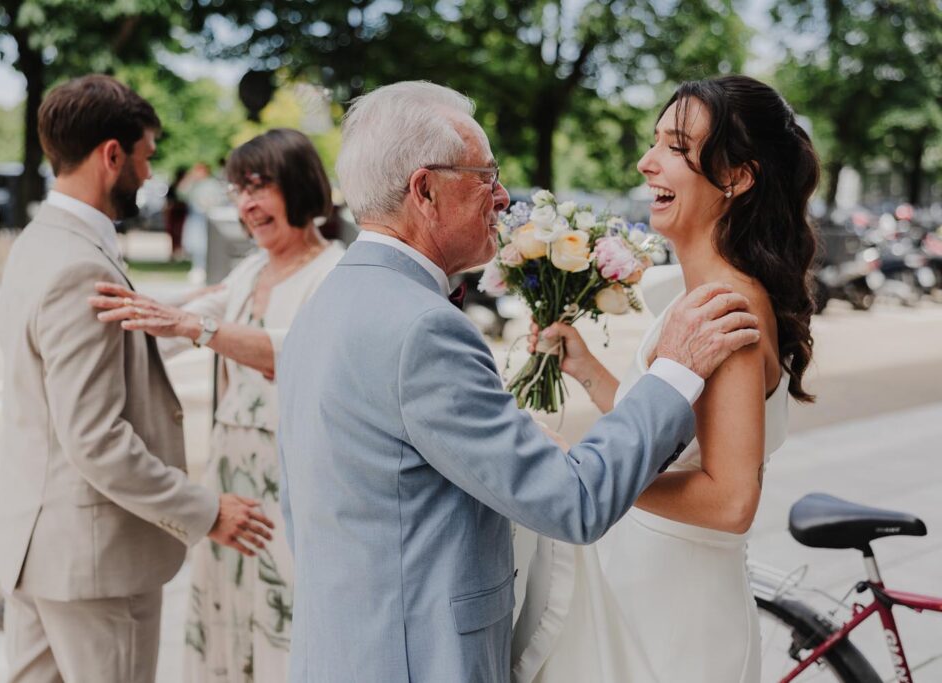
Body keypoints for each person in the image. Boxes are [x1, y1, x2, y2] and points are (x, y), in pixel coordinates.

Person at [274, 80, 761, 682]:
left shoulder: (328, 301)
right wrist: (675, 371)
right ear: (425, 190)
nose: (504, 197)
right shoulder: (423, 328)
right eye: (485, 176)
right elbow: (571, 502)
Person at [513, 75, 819, 682]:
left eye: (675, 148)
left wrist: (587, 477)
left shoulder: (724, 308)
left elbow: (731, 499)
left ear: (736, 176)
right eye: (654, 142)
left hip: (675, 619)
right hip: (646, 587)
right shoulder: (702, 298)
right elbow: (674, 436)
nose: (645, 162)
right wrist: (586, 368)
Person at [0, 75, 273, 683]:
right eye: (144, 157)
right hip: (94, 560)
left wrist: (192, 311)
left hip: (36, 548)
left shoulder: (40, 242)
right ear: (110, 154)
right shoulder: (79, 264)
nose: (148, 175)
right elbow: (96, 439)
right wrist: (203, 510)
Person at [91, 128, 345, 682]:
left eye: (260, 187)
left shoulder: (335, 272)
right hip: (231, 478)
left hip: (292, 485)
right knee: (227, 615)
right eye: (238, 190)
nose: (247, 204)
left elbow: (291, 353)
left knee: (285, 619)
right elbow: (178, 322)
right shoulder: (250, 269)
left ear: (300, 186)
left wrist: (194, 325)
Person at [164, 165, 189, 260]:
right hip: (175, 211)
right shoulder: (174, 186)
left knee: (180, 232)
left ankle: (178, 251)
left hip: (181, 212)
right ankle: (174, 251)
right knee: (174, 233)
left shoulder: (184, 186)